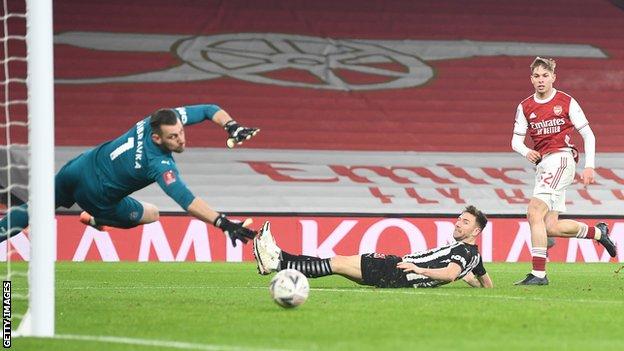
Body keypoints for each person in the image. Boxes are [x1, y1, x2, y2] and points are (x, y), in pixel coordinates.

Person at [0, 104, 259, 246]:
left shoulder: (157, 119)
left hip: (79, 167)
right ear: (157, 138)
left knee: (35, 208)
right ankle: (97, 217)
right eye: (173, 137)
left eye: (181, 132)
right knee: (152, 214)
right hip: (98, 196)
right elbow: (184, 199)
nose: (180, 139)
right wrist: (222, 222)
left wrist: (231, 126)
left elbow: (207, 109)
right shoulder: (157, 162)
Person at [511, 57, 617, 286]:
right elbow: (515, 141)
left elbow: (589, 134)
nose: (541, 80)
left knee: (533, 213)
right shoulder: (525, 106)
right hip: (544, 165)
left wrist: (590, 165)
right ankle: (598, 233)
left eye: (545, 76)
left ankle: (538, 274)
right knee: (550, 226)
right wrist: (526, 151)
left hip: (561, 159)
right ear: (531, 79)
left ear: (553, 78)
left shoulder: (566, 101)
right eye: (537, 76)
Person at [253, 205, 493, 289]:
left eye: (465, 222)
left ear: (476, 231)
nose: (458, 223)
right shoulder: (474, 255)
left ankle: (276, 263)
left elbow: (451, 274)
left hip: (398, 270)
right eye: (459, 219)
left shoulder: (463, 251)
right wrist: (475, 284)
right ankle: (280, 257)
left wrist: (418, 269)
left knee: (337, 263)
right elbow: (481, 280)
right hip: (396, 270)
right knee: (338, 263)